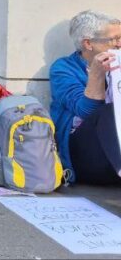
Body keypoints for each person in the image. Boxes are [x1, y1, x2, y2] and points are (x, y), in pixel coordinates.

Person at [50, 10, 121, 185]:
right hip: (86, 154)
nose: (119, 44)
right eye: (114, 39)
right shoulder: (63, 68)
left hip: (114, 154)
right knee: (108, 112)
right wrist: (97, 74)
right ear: (88, 43)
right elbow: (86, 111)